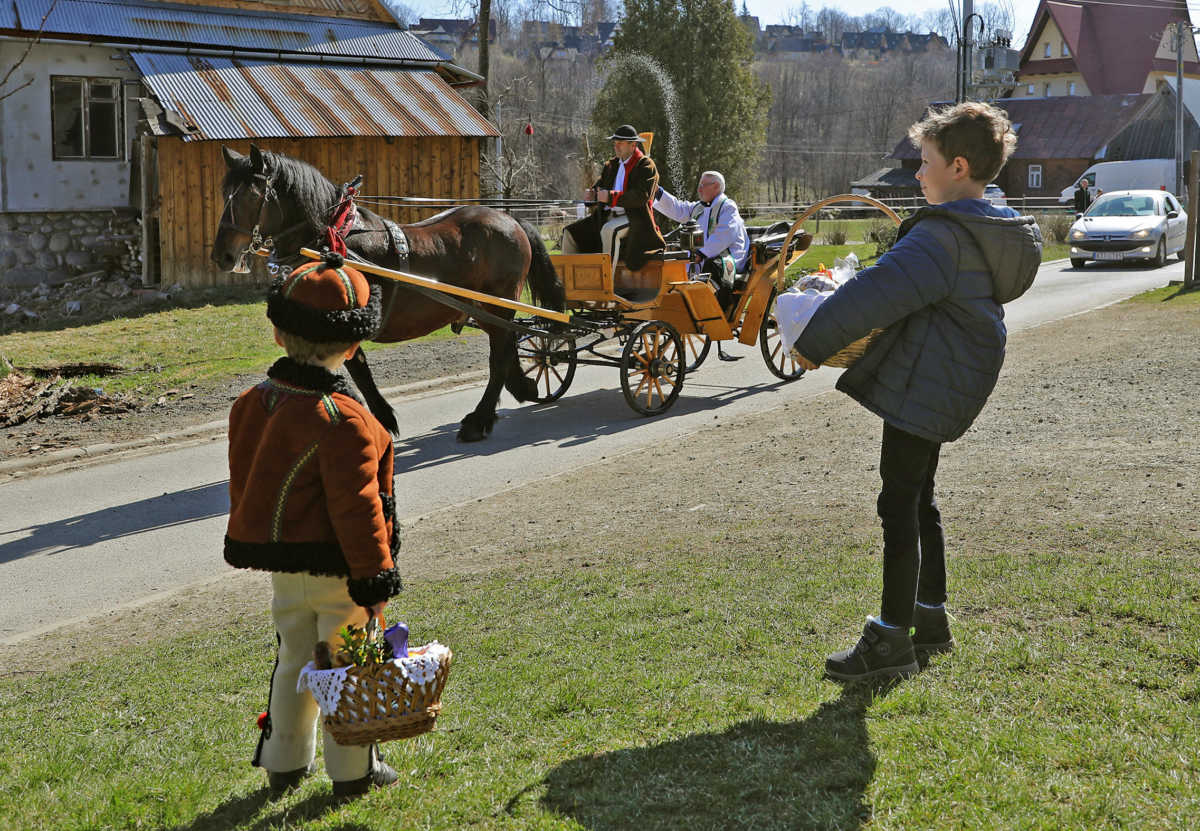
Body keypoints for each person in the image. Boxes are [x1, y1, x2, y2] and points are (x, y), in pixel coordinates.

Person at [790, 101, 1042, 682]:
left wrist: (812, 342)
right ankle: (929, 618)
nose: (918, 174)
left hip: (925, 383)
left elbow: (877, 292)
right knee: (919, 499)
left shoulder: (943, 239)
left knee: (897, 505)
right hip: (946, 379)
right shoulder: (980, 229)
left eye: (924, 163)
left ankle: (891, 642)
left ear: (958, 166)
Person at [224, 250, 404, 800]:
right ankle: (352, 770)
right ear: (353, 346)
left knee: (293, 663)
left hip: (285, 571)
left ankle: (284, 759)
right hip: (339, 572)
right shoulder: (344, 419)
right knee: (346, 669)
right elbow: (359, 509)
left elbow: (246, 480)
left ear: (279, 335)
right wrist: (375, 581)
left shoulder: (253, 402)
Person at [654, 170, 751, 358]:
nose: (699, 188)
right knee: (672, 270)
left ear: (716, 187)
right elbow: (678, 209)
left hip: (726, 259)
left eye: (703, 185)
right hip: (702, 258)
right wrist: (658, 192)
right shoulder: (698, 207)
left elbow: (725, 235)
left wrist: (702, 252)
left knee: (709, 268)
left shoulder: (727, 206)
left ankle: (718, 313)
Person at [562, 124, 665, 271]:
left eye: (620, 143)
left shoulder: (646, 165)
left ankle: (606, 284)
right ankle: (569, 282)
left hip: (635, 218)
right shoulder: (611, 165)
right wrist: (592, 195)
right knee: (570, 232)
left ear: (633, 144)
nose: (616, 147)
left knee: (609, 230)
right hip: (606, 216)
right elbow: (600, 188)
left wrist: (611, 197)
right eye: (615, 143)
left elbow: (641, 196)